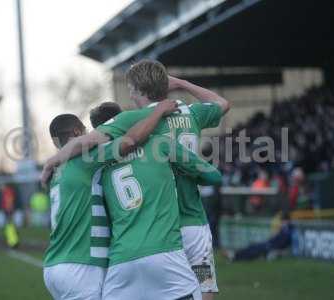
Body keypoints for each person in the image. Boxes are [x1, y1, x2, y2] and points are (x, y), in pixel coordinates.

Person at [41, 60, 230, 299]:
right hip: (192, 223)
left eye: (130, 88)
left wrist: (55, 159)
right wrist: (182, 83)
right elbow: (222, 104)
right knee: (205, 287)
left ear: (137, 90)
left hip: (155, 231)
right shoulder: (189, 112)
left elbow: (89, 141)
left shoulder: (131, 121)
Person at [43, 100, 179, 300]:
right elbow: (129, 141)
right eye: (86, 131)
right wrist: (157, 112)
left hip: (53, 266)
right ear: (78, 133)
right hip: (81, 266)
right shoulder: (86, 160)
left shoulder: (56, 172)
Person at [89, 102, 223, 300]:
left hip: (122, 257)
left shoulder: (97, 163)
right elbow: (213, 177)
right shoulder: (158, 143)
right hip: (177, 239)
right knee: (203, 288)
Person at [223, 214, 293, 262]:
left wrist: (275, 251)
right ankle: (234, 255)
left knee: (253, 251)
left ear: (287, 221)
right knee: (252, 246)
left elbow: (281, 244)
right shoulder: (283, 230)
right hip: (268, 244)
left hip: (271, 247)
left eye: (283, 221)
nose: (281, 222)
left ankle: (234, 257)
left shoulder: (287, 232)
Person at [0, 184, 19, 248]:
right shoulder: (7, 191)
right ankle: (13, 241)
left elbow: (9, 201)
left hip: (8, 211)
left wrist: (9, 210)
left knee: (9, 226)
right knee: (10, 225)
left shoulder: (7, 192)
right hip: (9, 211)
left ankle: (13, 242)